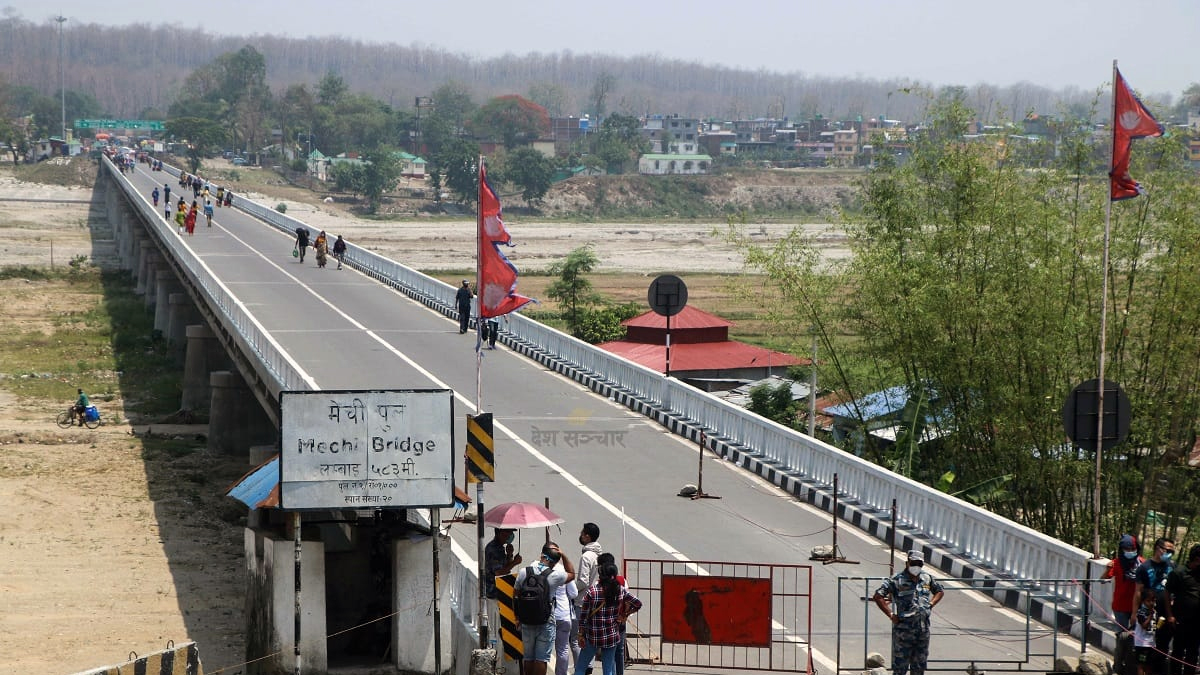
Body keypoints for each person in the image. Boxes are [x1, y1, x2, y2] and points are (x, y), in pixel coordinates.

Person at [873, 550, 945, 675]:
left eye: (919, 563)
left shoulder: (926, 578)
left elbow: (939, 590)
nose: (916, 566)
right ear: (907, 563)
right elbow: (878, 596)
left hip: (922, 632)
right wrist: (891, 614)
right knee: (900, 669)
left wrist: (931, 604)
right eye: (913, 563)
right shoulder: (897, 580)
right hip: (903, 633)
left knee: (919, 669)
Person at [516, 542, 576, 675]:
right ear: (554, 562)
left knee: (528, 657)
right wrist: (563, 554)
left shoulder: (523, 572)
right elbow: (572, 573)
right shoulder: (554, 576)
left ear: (541, 555)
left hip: (526, 621)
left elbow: (516, 595)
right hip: (546, 621)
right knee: (541, 659)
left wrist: (517, 618)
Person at [576, 564, 642, 675]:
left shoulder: (592, 592)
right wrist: (625, 615)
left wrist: (581, 634)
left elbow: (583, 617)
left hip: (593, 636)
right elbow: (637, 604)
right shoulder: (620, 590)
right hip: (611, 636)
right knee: (608, 670)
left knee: (580, 668)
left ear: (601, 576)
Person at [1135, 538, 1176, 675]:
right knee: (1146, 650)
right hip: (1149, 613)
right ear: (1158, 548)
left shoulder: (1172, 566)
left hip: (1166, 613)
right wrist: (1134, 613)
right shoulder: (1144, 568)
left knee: (1163, 645)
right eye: (1167, 550)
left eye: (1172, 552)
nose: (1169, 554)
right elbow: (1138, 591)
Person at [1106, 534, 1145, 675]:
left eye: (1132, 548)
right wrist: (1107, 568)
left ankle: (1131, 666)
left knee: (1136, 640)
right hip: (1120, 606)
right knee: (1121, 638)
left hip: (1137, 608)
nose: (1130, 551)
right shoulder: (1116, 563)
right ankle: (1118, 665)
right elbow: (1105, 578)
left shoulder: (1142, 564)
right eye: (1126, 549)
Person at [1166, 545, 1200, 675]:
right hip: (1181, 620)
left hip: (1197, 623)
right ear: (1196, 559)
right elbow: (1167, 592)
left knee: (1193, 653)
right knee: (1178, 652)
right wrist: (1170, 615)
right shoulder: (1179, 573)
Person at [554, 568, 580, 675]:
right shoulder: (564, 572)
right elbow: (574, 593)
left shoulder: (541, 569)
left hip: (546, 615)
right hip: (564, 614)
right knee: (563, 649)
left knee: (543, 650)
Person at [1136, 592, 1159, 675]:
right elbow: (1144, 626)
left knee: (1149, 665)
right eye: (1148, 601)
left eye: (1153, 601)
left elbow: (1154, 627)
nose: (1151, 603)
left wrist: (1159, 624)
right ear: (1143, 602)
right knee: (1141, 665)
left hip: (1151, 644)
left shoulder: (1154, 612)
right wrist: (1150, 616)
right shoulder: (1141, 612)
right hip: (1142, 645)